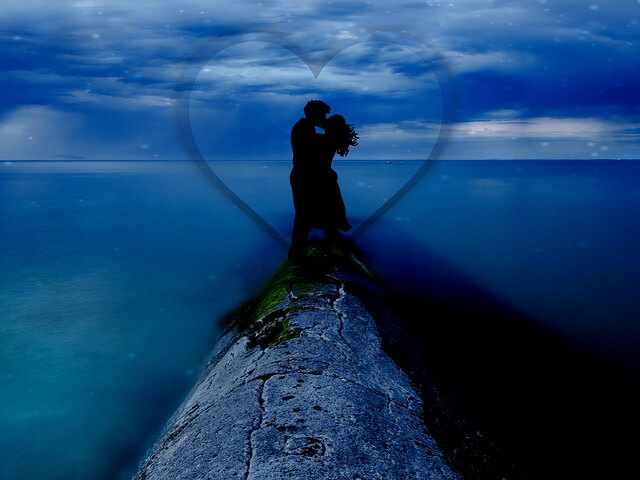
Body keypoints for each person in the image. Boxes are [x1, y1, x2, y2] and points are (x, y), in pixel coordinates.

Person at [288, 100, 358, 264]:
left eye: (325, 116)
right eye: (322, 115)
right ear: (314, 114)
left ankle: (306, 253)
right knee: (306, 216)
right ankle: (300, 254)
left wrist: (329, 129)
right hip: (306, 178)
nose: (324, 118)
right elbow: (314, 146)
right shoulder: (305, 130)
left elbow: (318, 145)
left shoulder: (310, 131)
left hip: (313, 178)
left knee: (315, 216)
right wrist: (331, 129)